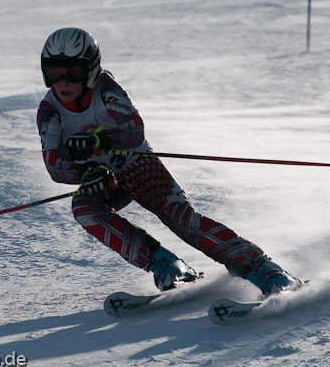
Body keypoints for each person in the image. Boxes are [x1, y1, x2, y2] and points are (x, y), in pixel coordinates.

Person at [36, 27, 303, 295]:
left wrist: (97, 141)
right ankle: (167, 264)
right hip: (101, 179)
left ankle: (264, 268)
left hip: (136, 165)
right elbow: (53, 163)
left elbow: (134, 128)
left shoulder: (105, 88)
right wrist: (85, 174)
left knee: (182, 220)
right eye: (54, 73)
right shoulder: (50, 110)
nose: (63, 82)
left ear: (91, 69)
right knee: (84, 208)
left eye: (72, 73)